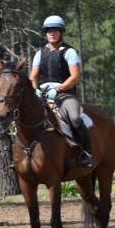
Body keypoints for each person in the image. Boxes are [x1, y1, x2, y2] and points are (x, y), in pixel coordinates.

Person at [30, 15, 93, 167]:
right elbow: (33, 76)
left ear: (61, 32)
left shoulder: (69, 52)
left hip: (65, 94)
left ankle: (86, 153)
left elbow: (75, 77)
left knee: (75, 118)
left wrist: (58, 89)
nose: (52, 33)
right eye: (49, 31)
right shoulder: (40, 53)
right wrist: (35, 90)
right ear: (45, 33)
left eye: (55, 31)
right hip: (44, 94)